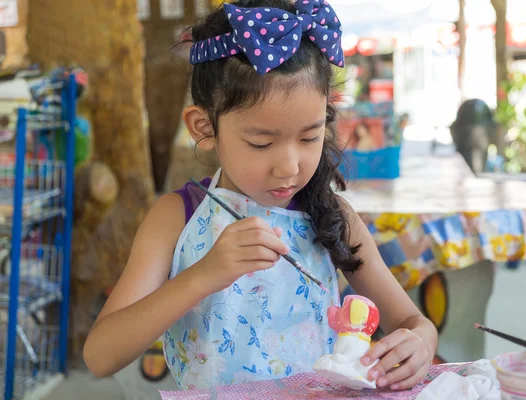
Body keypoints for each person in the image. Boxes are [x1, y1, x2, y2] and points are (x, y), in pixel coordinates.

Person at [83, 0, 437, 391]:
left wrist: (418, 343)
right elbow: (101, 356)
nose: (288, 167)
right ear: (204, 126)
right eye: (261, 143)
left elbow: (412, 322)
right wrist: (202, 276)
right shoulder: (177, 218)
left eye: (309, 137)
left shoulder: (333, 217)